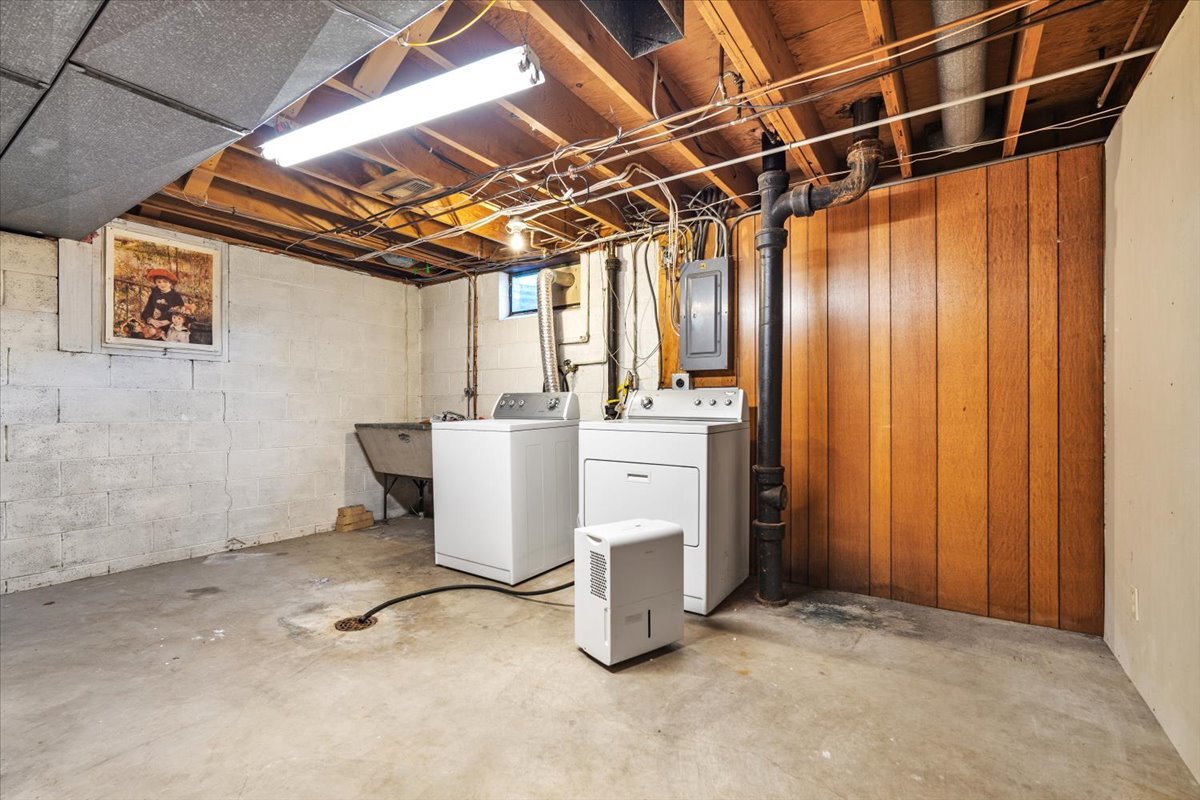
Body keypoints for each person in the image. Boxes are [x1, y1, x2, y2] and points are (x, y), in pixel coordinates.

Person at [141, 269, 185, 336]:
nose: (162, 284)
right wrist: (151, 320)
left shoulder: (175, 296)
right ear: (156, 283)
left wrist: (167, 321)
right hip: (154, 325)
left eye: (165, 282)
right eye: (159, 282)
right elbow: (147, 311)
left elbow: (181, 315)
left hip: (170, 326)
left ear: (170, 283)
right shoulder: (154, 295)